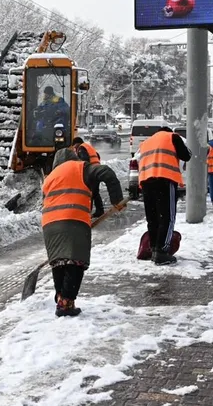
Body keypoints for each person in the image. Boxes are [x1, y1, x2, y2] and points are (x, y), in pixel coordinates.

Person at [42, 148, 123, 317]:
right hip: (73, 219)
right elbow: (106, 173)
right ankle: (65, 304)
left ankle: (62, 300)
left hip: (49, 224)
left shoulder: (50, 177)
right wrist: (117, 200)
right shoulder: (81, 167)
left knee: (59, 262)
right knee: (76, 262)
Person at [137, 126, 191, 265]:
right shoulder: (172, 137)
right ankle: (162, 252)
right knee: (167, 217)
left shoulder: (146, 142)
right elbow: (186, 156)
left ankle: (154, 248)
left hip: (146, 182)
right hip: (164, 180)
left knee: (153, 218)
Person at [72, 136, 104, 217]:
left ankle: (87, 212)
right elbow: (98, 156)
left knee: (89, 193)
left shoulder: (81, 148)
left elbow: (84, 160)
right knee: (95, 192)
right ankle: (99, 211)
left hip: (91, 172)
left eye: (74, 146)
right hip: (97, 170)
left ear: (77, 144)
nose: (75, 148)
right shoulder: (88, 147)